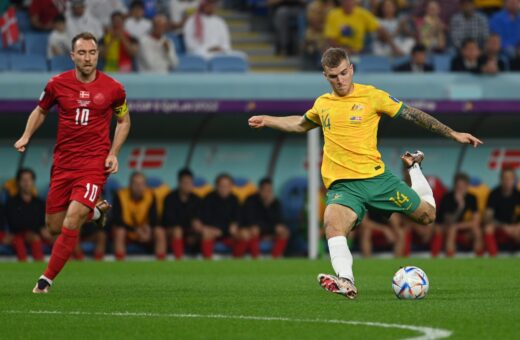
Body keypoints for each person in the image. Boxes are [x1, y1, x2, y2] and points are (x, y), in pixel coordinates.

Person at [248, 47, 482, 299]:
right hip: (343, 187)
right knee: (332, 224)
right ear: (325, 76)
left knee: (427, 216)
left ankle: (414, 167)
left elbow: (412, 114)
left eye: (344, 73)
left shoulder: (372, 96)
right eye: (333, 76)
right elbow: (300, 123)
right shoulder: (323, 104)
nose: (340, 80)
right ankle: (346, 281)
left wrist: (453, 133)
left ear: (352, 69)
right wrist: (268, 120)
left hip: (377, 180)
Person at [14, 32, 131, 293]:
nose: (87, 58)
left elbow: (124, 121)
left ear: (97, 55)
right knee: (54, 226)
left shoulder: (114, 88)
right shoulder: (57, 84)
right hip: (63, 164)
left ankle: (44, 281)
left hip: (93, 164)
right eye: (82, 53)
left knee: (72, 218)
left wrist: (113, 153)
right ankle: (97, 212)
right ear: (72, 56)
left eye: (92, 52)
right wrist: (25, 135)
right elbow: (41, 110)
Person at [111, 172, 161, 260]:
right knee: (119, 231)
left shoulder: (151, 195)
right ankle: (119, 263)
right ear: (130, 185)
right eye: (135, 184)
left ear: (146, 185)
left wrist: (148, 229)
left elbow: (154, 218)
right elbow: (117, 219)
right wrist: (135, 230)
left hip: (145, 231)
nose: (138, 187)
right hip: (127, 231)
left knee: (159, 231)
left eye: (142, 184)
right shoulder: (120, 195)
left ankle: (162, 263)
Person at [159, 168, 203, 259]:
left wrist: (197, 227)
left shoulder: (197, 199)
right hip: (172, 232)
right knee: (177, 230)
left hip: (191, 233)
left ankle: (207, 262)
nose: (188, 185)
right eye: (185, 183)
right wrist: (190, 222)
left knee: (204, 230)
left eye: (190, 183)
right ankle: (178, 260)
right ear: (179, 183)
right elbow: (168, 220)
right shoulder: (170, 198)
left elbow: (200, 218)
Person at [241, 177, 290, 258]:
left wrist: (268, 206)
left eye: (269, 191)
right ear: (259, 190)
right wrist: (269, 228)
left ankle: (275, 259)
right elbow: (250, 221)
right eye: (264, 190)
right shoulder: (250, 200)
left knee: (284, 232)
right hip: (255, 232)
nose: (267, 193)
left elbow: (279, 221)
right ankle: (255, 259)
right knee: (254, 230)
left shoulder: (275, 203)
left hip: (269, 232)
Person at [5, 168, 46, 262]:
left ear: (33, 182)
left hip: (36, 235)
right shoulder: (11, 203)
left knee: (40, 239)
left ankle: (41, 269)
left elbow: (42, 223)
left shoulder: (39, 203)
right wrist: (29, 232)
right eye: (23, 180)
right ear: (19, 183)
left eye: (29, 180)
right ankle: (23, 266)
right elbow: (14, 223)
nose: (26, 183)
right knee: (19, 241)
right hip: (17, 235)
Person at [437, 173, 482, 257]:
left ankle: (479, 258)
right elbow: (449, 221)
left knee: (477, 230)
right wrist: (460, 207)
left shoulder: (472, 197)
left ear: (467, 186)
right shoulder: (447, 197)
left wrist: (458, 226)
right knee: (452, 230)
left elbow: (476, 220)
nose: (460, 189)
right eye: (458, 186)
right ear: (455, 186)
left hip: (462, 227)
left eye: (463, 186)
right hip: (446, 227)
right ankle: (450, 257)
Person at [200, 174, 241, 259]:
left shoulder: (235, 199)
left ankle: (237, 262)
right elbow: (206, 220)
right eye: (221, 186)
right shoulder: (208, 198)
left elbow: (237, 220)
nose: (224, 189)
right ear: (216, 186)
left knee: (244, 235)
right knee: (206, 233)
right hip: (213, 232)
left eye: (227, 186)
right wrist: (213, 229)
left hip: (228, 234)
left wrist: (235, 225)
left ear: (231, 187)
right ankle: (207, 264)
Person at [484, 167, 520, 256]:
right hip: (498, 227)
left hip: (514, 229)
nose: (508, 181)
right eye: (505, 178)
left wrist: (517, 226)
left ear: (514, 179)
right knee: (488, 228)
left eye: (510, 178)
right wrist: (503, 226)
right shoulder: (494, 194)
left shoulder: (518, 195)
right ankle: (494, 258)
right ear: (501, 179)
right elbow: (488, 218)